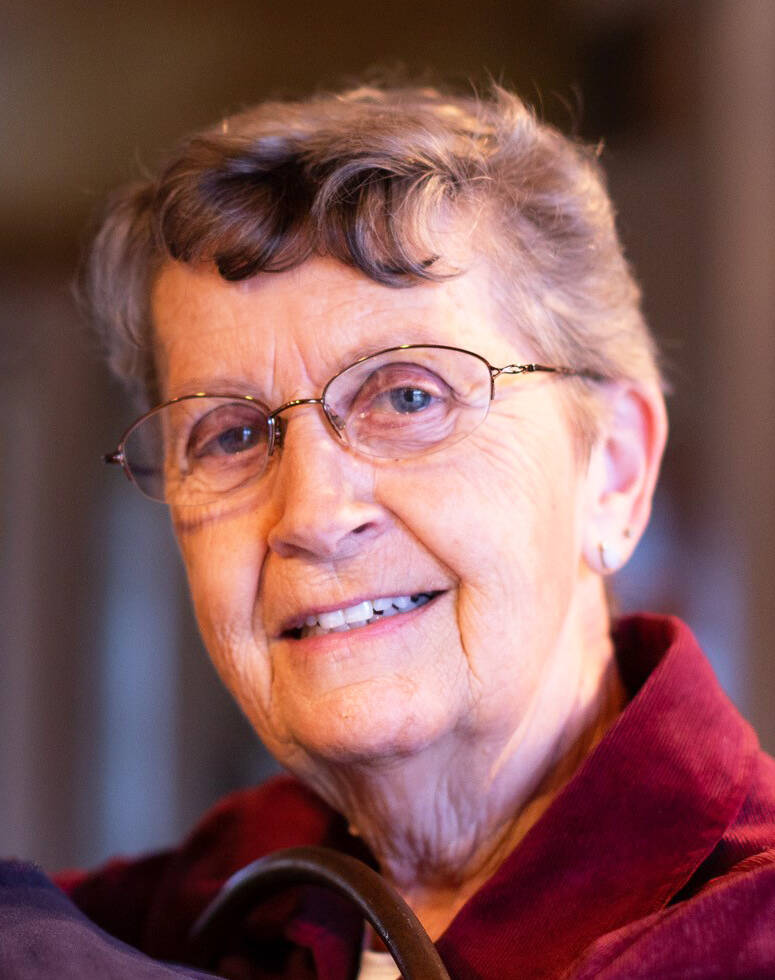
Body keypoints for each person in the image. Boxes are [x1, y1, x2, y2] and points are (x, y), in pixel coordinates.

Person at [8, 82, 775, 979]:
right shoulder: (203, 905)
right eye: (231, 435)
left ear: (613, 470)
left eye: (409, 397)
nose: (312, 516)